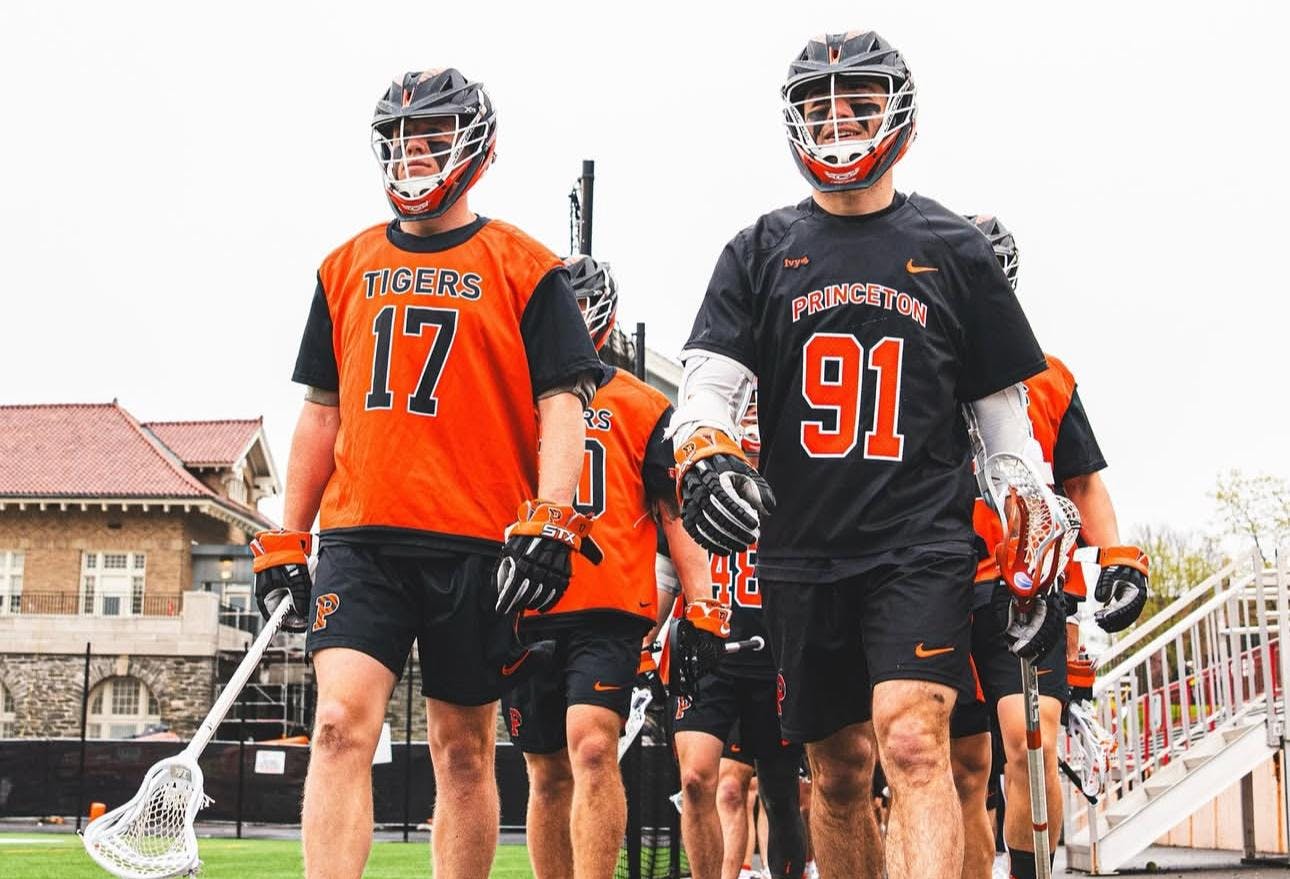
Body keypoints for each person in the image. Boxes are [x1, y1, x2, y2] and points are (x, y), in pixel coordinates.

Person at [669, 30, 1065, 878]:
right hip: (802, 546)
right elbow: (706, 384)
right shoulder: (759, 250)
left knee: (915, 739)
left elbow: (1004, 424)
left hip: (919, 542)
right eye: (819, 106)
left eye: (856, 103)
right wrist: (703, 444)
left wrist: (1026, 495)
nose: (838, 121)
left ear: (901, 116)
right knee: (839, 775)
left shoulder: (954, 249)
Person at [249, 68, 603, 879]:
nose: (414, 155)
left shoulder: (527, 267)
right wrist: (286, 535)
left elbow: (562, 404)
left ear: (474, 146)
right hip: (361, 536)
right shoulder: (344, 266)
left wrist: (552, 517)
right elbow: (322, 412)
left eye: (432, 139)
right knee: (338, 721)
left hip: (477, 540)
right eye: (402, 140)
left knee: (464, 751)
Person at [502, 255, 717, 879]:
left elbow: (674, 514)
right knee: (544, 771)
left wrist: (700, 605)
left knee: (593, 746)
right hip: (527, 601)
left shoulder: (646, 406)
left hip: (608, 604)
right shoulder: (515, 398)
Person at [952, 215, 1150, 879]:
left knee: (1028, 742)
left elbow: (1083, 480)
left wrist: (1119, 556)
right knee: (961, 764)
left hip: (1028, 583)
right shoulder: (922, 376)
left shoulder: (1048, 377)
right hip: (939, 580)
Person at [673, 400, 808, 879]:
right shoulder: (696, 480)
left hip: (773, 656)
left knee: (778, 791)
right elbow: (670, 555)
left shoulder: (795, 488)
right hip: (710, 652)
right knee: (696, 780)